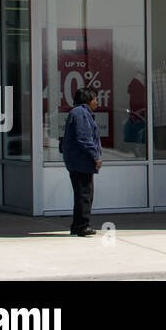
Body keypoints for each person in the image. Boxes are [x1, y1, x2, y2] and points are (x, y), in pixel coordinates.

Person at [62, 86, 102, 236]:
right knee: (84, 195)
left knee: (82, 194)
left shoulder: (79, 113)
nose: (97, 102)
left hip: (78, 161)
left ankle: (77, 225)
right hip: (81, 162)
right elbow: (84, 138)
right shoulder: (81, 113)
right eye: (95, 99)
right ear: (88, 100)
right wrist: (95, 156)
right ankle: (82, 226)